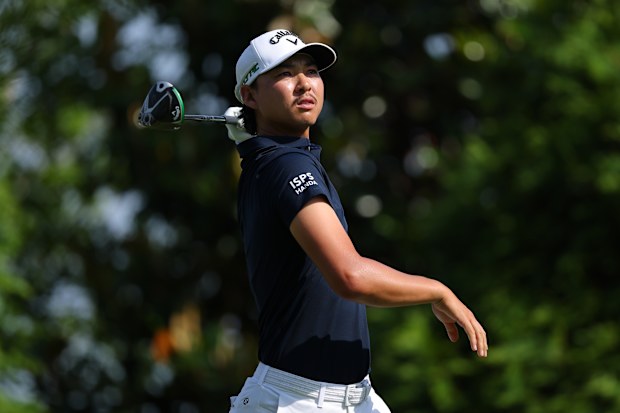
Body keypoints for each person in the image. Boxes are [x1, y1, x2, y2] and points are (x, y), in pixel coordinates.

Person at [224, 29, 488, 413]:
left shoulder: (273, 160)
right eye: (284, 74)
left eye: (311, 71)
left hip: (356, 396)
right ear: (249, 96)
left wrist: (256, 135)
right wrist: (437, 291)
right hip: (295, 401)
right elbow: (350, 276)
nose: (304, 84)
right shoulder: (286, 166)